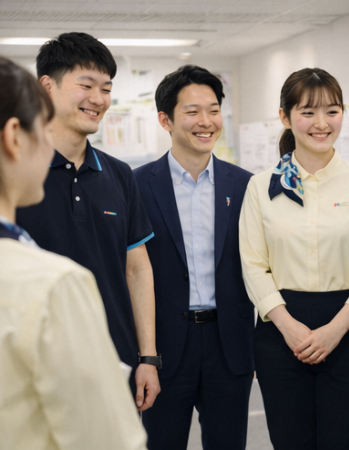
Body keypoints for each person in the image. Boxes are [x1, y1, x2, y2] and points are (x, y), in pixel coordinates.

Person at [0, 56, 148, 450]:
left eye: (106, 88)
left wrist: (147, 356)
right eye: (39, 129)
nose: (98, 98)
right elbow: (106, 437)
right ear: (15, 137)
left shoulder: (119, 175)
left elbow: (137, 268)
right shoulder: (54, 284)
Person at [239, 67, 349, 450]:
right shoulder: (260, 187)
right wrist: (288, 327)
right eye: (308, 112)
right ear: (285, 117)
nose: (321, 124)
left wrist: (334, 330)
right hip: (280, 335)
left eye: (332, 111)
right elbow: (254, 266)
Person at [134, 65, 255, 450]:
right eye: (192, 111)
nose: (206, 121)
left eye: (214, 110)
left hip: (229, 344)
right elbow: (132, 271)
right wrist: (146, 355)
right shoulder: (136, 185)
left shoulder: (245, 185)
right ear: (165, 120)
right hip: (165, 346)